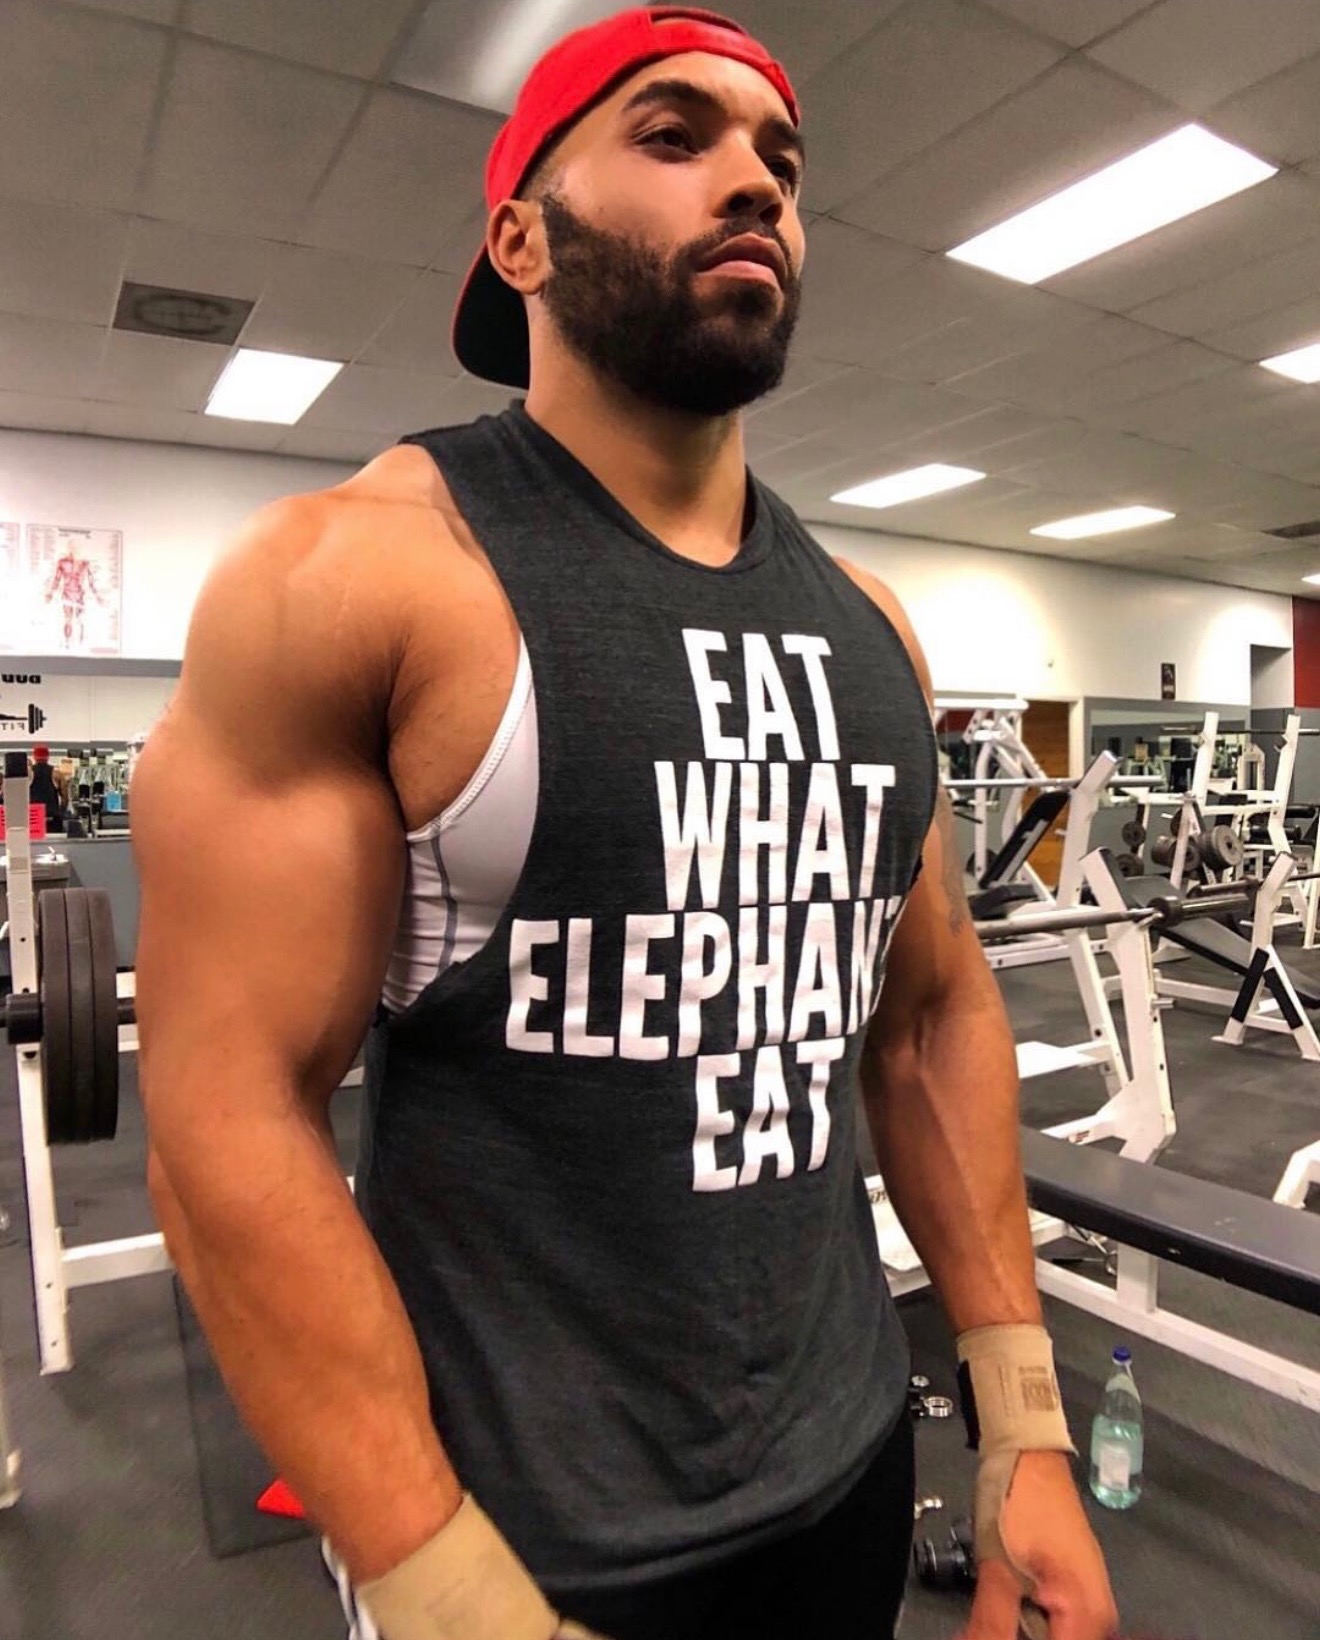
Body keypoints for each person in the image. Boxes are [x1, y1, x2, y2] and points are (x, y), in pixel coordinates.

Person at [132, 10, 1119, 1640]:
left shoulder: (872, 630)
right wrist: (444, 1587)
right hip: (516, 1539)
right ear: (518, 233)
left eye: (781, 162)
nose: (754, 182)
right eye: (675, 137)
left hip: (848, 1462)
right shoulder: (361, 578)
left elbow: (930, 1019)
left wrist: (1021, 1423)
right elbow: (226, 1113)